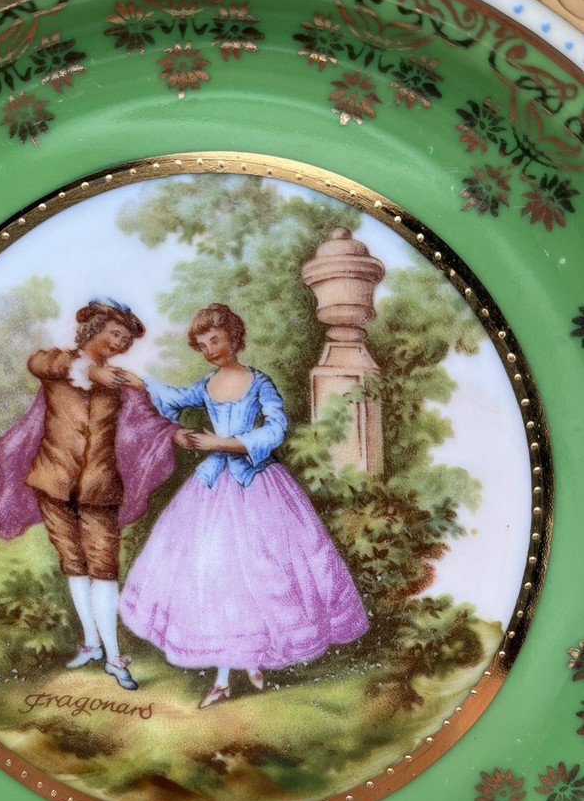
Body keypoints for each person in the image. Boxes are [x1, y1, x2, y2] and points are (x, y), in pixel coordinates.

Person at [118, 303, 369, 708]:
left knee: (262, 571)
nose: (210, 350)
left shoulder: (258, 382)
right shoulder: (206, 384)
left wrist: (221, 442)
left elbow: (276, 428)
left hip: (257, 484)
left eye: (215, 340)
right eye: (202, 345)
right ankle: (224, 677)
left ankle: (251, 658)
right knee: (215, 574)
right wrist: (138, 382)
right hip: (212, 487)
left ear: (234, 338)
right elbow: (171, 398)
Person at [23, 298, 150, 691]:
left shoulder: (118, 379)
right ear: (95, 329)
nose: (120, 344)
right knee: (74, 565)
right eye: (115, 334)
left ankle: (113, 658)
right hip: (54, 480)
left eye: (126, 340)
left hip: (99, 485)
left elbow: (147, 411)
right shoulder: (58, 362)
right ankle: (92, 644)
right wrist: (91, 371)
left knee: (104, 570)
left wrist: (143, 387)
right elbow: (37, 363)